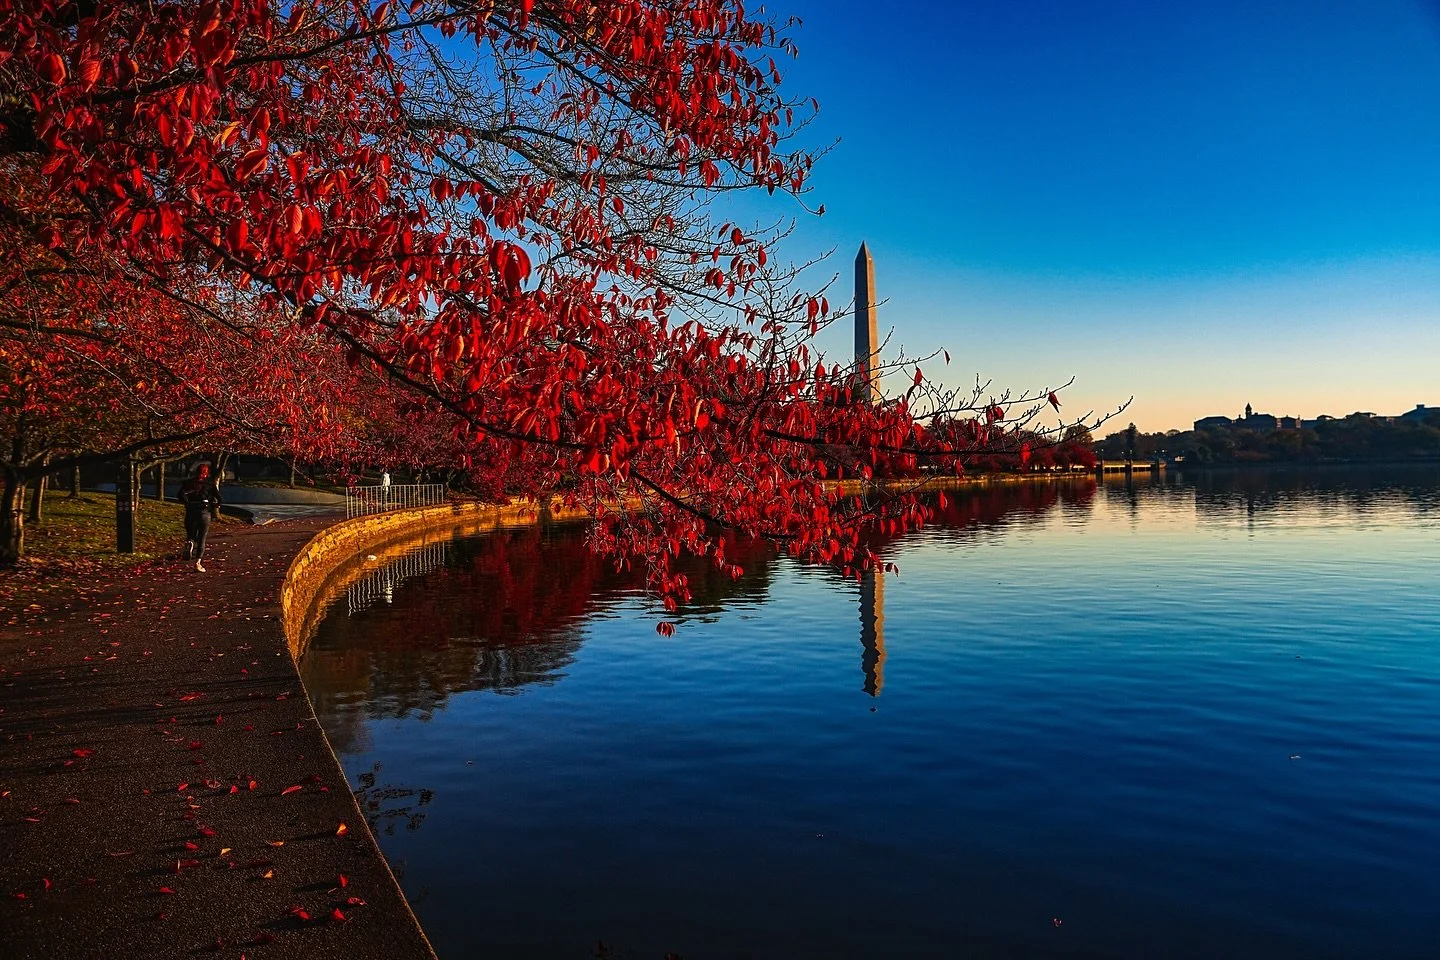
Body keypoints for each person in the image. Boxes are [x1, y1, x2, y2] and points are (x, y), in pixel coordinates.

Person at [179, 463, 221, 572]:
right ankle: (197, 563)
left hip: (191, 510)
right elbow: (219, 498)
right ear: (206, 473)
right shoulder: (210, 483)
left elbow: (180, 495)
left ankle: (190, 542)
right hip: (204, 511)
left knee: (191, 534)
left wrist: (187, 503)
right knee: (202, 538)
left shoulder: (188, 483)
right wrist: (216, 505)